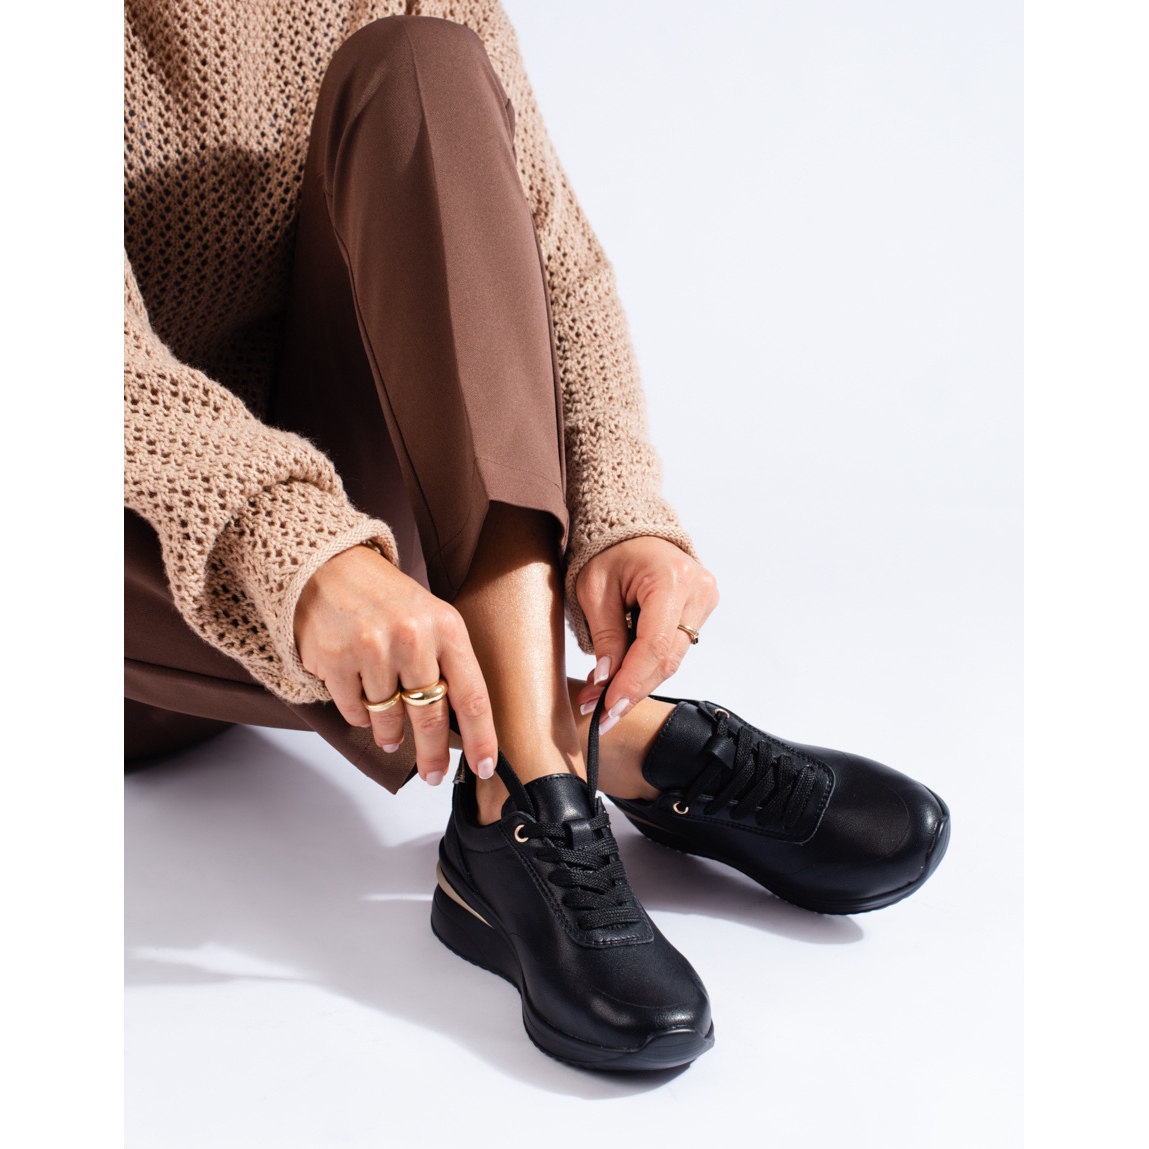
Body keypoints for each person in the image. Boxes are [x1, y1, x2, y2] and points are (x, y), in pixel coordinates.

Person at [125, 1, 950, 1071]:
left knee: (423, 70)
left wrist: (620, 513)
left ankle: (516, 791)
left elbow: (541, 252)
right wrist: (293, 548)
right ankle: (579, 748)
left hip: (350, 525)